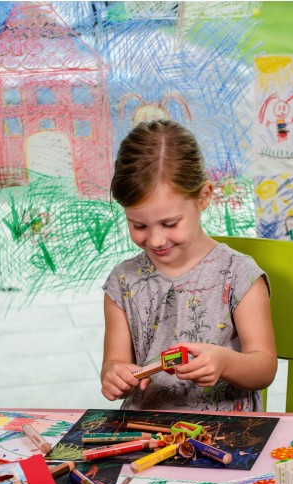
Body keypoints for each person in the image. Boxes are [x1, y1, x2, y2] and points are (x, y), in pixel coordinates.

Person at [101, 119, 277, 411]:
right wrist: (114, 375)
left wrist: (225, 362)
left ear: (203, 196)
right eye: (139, 225)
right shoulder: (123, 282)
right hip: (145, 428)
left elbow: (264, 367)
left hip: (226, 429)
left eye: (170, 223)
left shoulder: (240, 275)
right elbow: (114, 362)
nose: (155, 240)